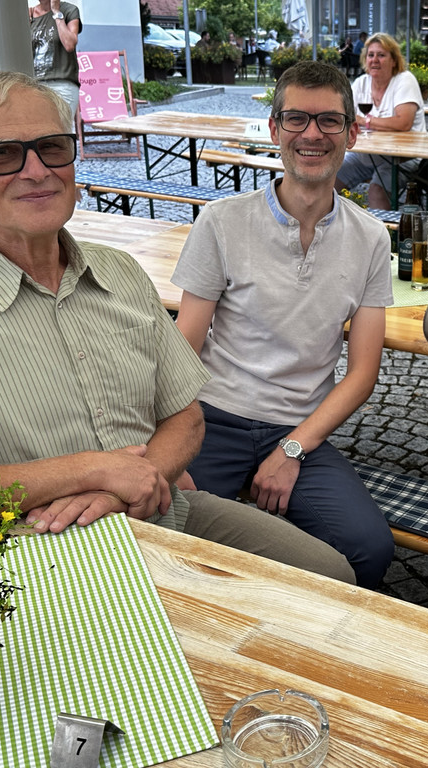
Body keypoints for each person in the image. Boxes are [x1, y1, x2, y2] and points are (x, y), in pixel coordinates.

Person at [0, 71, 355, 586]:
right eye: (3, 154)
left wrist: (134, 481)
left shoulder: (120, 272)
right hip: (27, 551)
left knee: (331, 574)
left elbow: (185, 417)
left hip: (159, 511)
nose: (36, 171)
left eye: (52, 147)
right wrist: (92, 470)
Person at [172, 61, 395, 588]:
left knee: (369, 551)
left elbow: (362, 374)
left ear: (352, 133)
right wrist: (168, 448)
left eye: (329, 121)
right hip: (212, 418)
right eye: (296, 119)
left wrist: (293, 448)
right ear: (275, 130)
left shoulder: (370, 238)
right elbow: (181, 348)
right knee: (167, 529)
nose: (312, 134)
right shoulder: (222, 221)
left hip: (298, 427)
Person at [333, 33, 424, 210]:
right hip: (366, 156)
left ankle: (382, 229)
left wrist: (365, 121)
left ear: (394, 60)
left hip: (402, 158)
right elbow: (343, 115)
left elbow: (403, 123)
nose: (374, 60)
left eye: (381, 55)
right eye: (370, 55)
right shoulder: (361, 83)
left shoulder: (404, 80)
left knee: (376, 191)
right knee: (326, 180)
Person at [29, 0, 81, 117]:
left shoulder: (69, 10)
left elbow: (69, 44)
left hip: (61, 84)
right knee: (39, 127)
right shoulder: (31, 14)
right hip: (36, 85)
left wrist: (57, 12)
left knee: (61, 127)